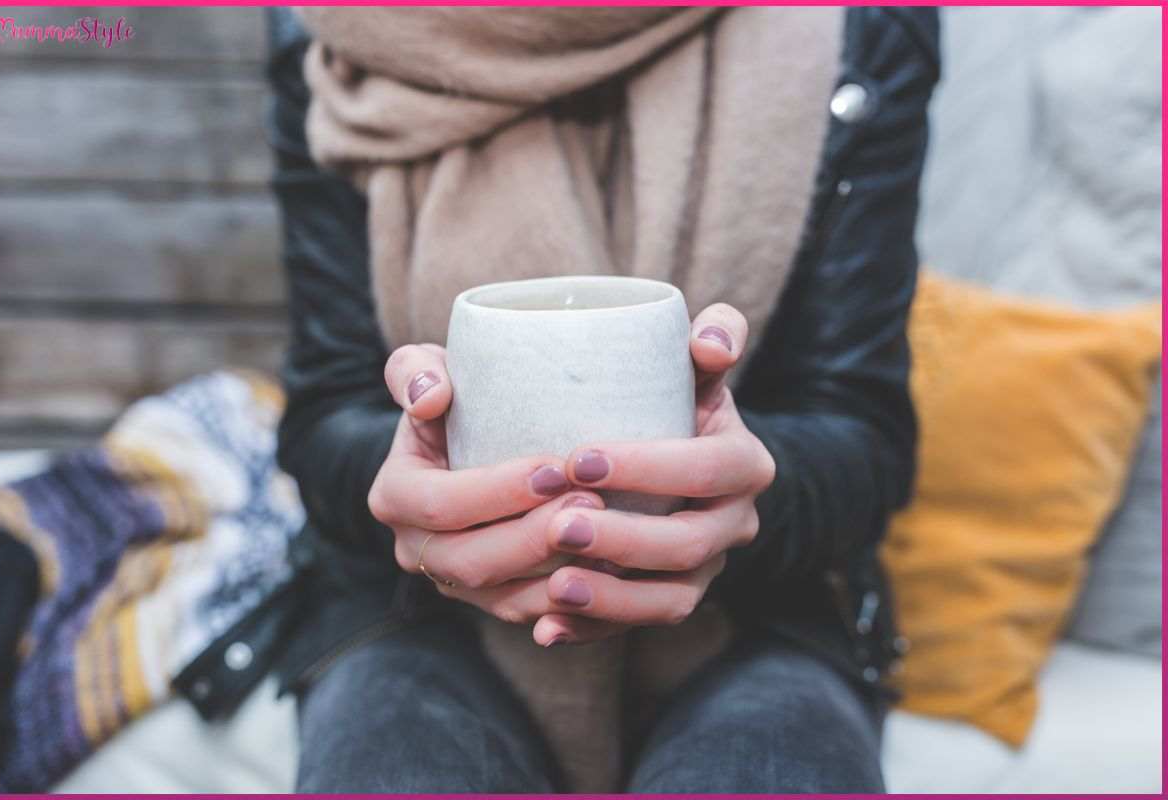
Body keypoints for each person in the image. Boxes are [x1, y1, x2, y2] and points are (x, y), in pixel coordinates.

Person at [265, 6, 938, 793]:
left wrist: (733, 491)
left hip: (763, 620)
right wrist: (417, 484)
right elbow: (325, 416)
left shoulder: (859, 24)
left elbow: (866, 438)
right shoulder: (343, 28)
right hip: (407, 615)